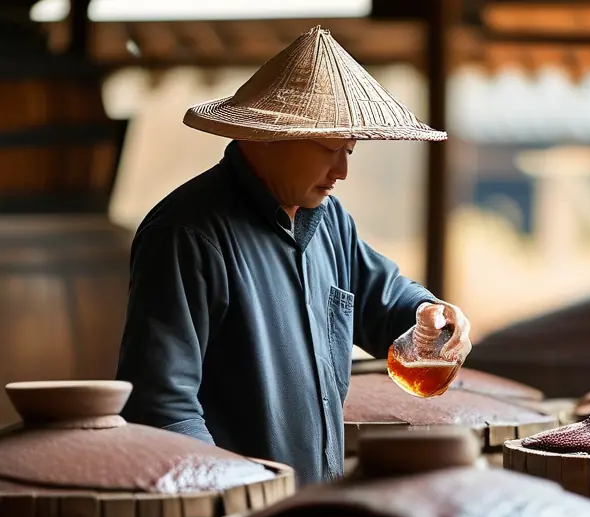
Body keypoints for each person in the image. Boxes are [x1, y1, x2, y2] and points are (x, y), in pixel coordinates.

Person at [115, 26, 472, 486]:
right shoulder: (187, 234)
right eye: (328, 149)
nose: (341, 171)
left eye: (349, 151)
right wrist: (231, 499)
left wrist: (428, 314)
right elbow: (161, 406)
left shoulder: (330, 221)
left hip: (314, 504)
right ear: (268, 135)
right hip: (233, 515)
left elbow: (384, 302)